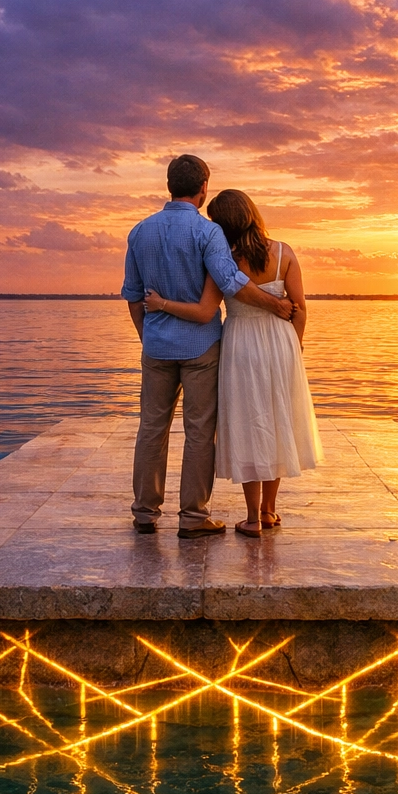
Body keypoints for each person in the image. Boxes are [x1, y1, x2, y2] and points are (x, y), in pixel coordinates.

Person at [121, 156, 293, 538]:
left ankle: (145, 513)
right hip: (201, 349)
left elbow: (133, 295)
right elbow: (231, 282)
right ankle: (193, 518)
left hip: (156, 347)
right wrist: (277, 305)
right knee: (199, 431)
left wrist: (146, 335)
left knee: (151, 427)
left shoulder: (139, 232)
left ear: (169, 185)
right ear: (203, 189)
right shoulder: (208, 232)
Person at [143, 189, 321, 536]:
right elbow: (300, 308)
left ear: (222, 223)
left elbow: (205, 309)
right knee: (277, 419)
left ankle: (253, 517)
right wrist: (293, 348)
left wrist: (162, 303)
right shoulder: (284, 252)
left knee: (249, 422)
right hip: (280, 343)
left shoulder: (224, 258)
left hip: (240, 344)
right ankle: (269, 511)